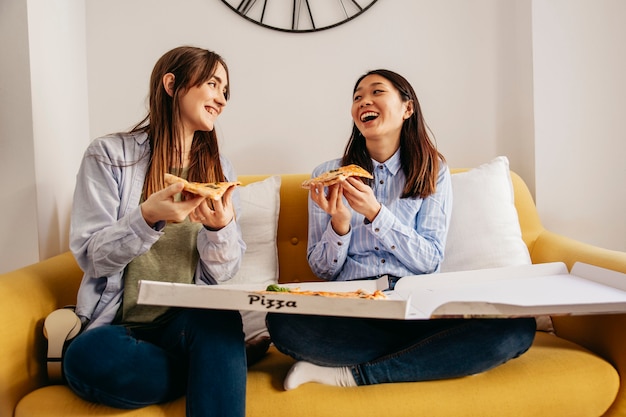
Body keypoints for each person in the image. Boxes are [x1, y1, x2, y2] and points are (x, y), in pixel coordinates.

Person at [266, 69, 536, 390]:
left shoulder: (433, 170)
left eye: (377, 92)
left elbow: (430, 261)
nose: (364, 100)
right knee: (282, 322)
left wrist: (376, 213)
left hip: (415, 307)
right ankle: (438, 359)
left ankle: (350, 374)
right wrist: (339, 226)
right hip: (352, 310)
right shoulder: (327, 174)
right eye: (357, 97)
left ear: (407, 109)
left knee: (517, 329)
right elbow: (324, 270)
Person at [63, 46, 247, 417]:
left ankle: (217, 364)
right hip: (118, 324)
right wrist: (146, 218)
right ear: (172, 84)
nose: (221, 99)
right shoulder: (109, 155)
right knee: (86, 357)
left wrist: (220, 229)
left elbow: (223, 273)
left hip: (185, 324)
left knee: (220, 319)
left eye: (226, 91)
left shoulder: (219, 171)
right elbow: (93, 257)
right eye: (213, 84)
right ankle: (219, 370)